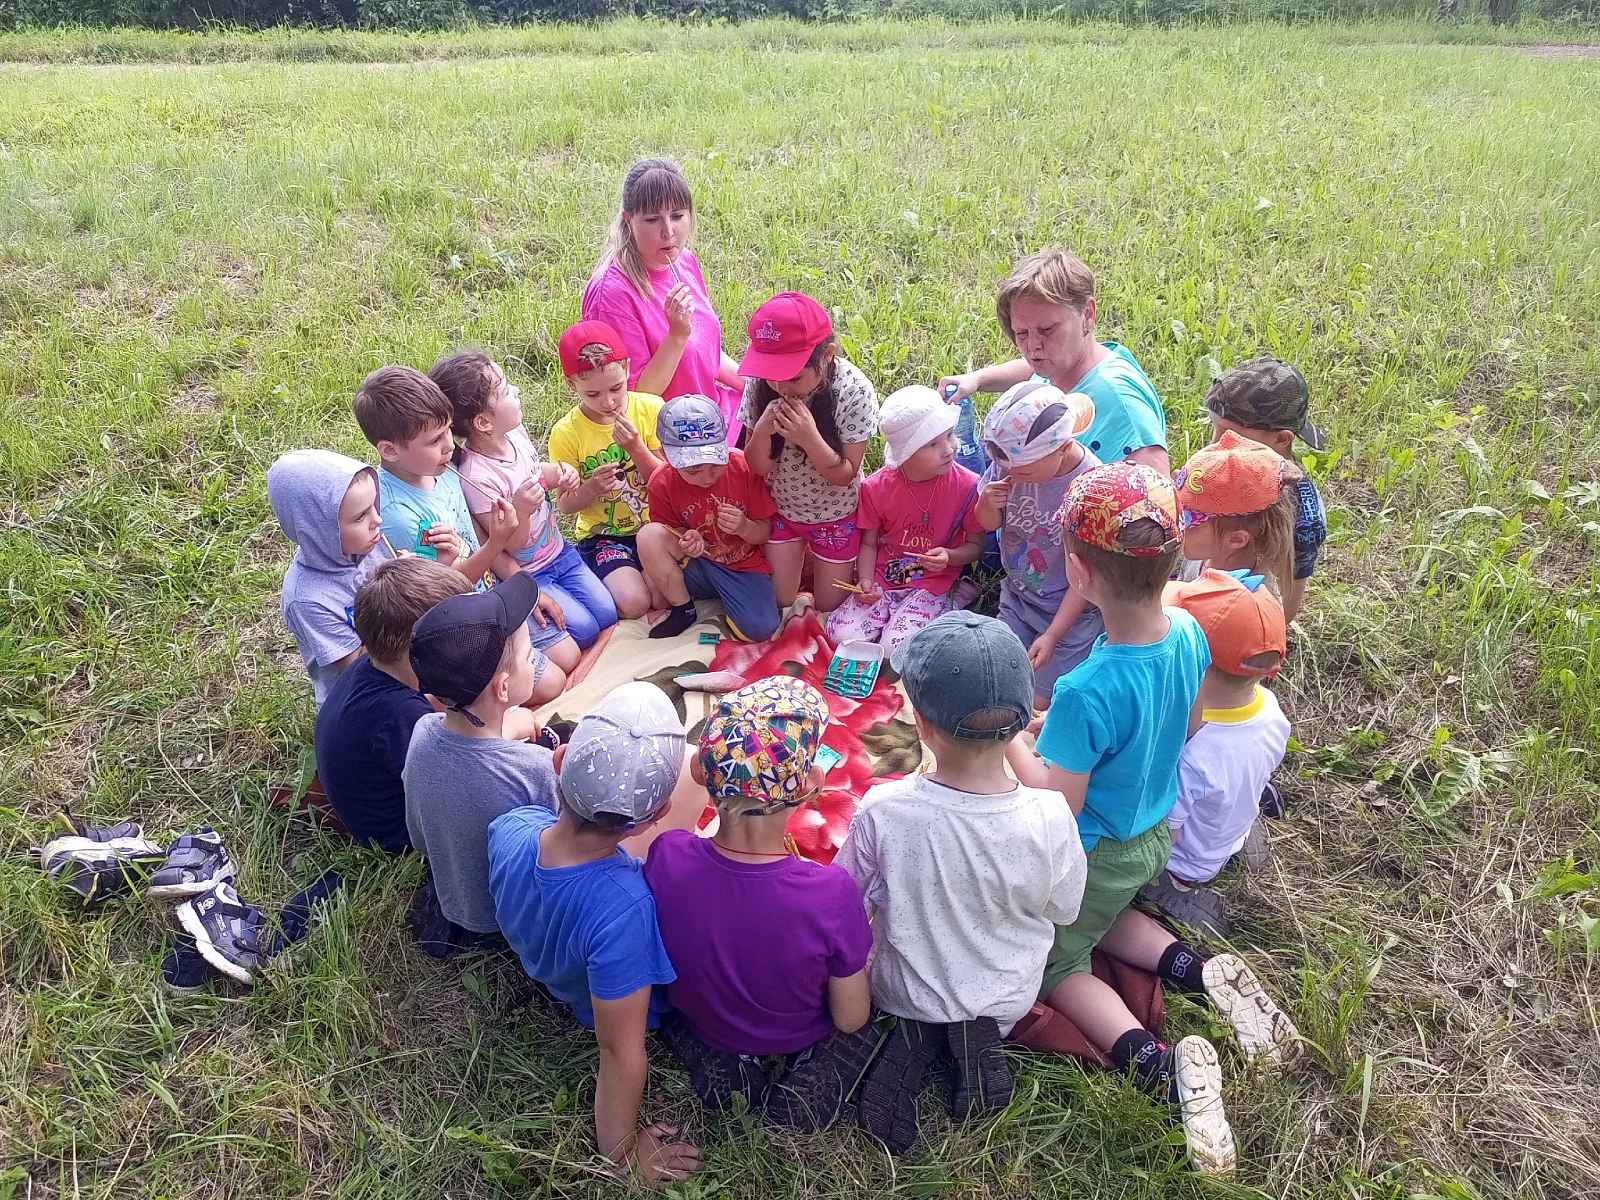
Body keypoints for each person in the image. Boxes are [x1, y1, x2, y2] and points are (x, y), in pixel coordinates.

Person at [1004, 462, 1297, 1176]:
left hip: (1096, 848)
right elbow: (1187, 724)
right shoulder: (1192, 634)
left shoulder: (1085, 688)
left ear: (1078, 571)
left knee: (1059, 964)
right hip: (1153, 834)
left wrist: (1012, 739)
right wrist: (1069, 737)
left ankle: (1156, 1068)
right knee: (1107, 916)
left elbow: (1060, 801)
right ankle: (1203, 970)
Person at [833, 611, 1088, 1156]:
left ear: (920, 723)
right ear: (1022, 723)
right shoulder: (1050, 815)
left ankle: (913, 1039)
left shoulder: (885, 809)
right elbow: (1065, 909)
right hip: (1007, 998)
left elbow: (841, 897)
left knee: (910, 1004)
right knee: (980, 1001)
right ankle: (971, 1037)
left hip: (901, 989)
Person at [486, 682, 701, 1188]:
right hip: (606, 1000)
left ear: (559, 760)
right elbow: (619, 1050)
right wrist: (621, 1155)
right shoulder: (625, 906)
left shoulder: (511, 826)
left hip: (552, 955)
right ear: (655, 817)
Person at [645, 677, 876, 1132]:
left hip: (703, 1020)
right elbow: (850, 1017)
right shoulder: (831, 891)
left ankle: (718, 1059)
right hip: (800, 1031)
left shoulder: (667, 855)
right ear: (812, 784)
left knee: (681, 1016)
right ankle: (812, 1072)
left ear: (701, 775)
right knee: (864, 1028)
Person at [314, 558, 559, 854]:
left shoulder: (374, 665)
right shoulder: (402, 714)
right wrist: (507, 729)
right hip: (404, 837)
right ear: (423, 653)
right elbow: (449, 772)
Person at [402, 573, 559, 953]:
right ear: (503, 688)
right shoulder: (535, 768)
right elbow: (564, 857)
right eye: (530, 657)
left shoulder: (422, 733)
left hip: (453, 898)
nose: (535, 661)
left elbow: (420, 839)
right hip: (513, 920)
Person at [430, 348, 616, 654]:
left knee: (607, 614)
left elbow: (534, 471)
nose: (516, 390)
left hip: (560, 552)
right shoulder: (478, 477)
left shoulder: (514, 433)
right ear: (484, 422)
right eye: (505, 390)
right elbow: (512, 544)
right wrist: (522, 510)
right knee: (585, 631)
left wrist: (560, 473)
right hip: (530, 571)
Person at [1140, 569, 1291, 934]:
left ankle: (1172, 892)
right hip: (1229, 832)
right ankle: (1235, 843)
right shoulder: (1272, 712)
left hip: (1185, 861)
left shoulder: (1193, 751)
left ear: (1196, 663)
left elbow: (1164, 835)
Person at [939, 248, 1170, 475]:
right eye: (1021, 333)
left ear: (1087, 314)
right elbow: (1032, 369)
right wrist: (977, 379)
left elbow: (1158, 492)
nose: (1032, 346)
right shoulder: (1069, 362)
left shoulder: (1121, 405)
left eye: (1047, 330)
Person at [582, 157, 744, 439]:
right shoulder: (611, 295)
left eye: (677, 216)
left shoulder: (683, 261)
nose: (668, 232)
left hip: (714, 410)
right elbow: (630, 401)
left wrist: (753, 385)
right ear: (628, 220)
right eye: (652, 219)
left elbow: (705, 350)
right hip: (672, 437)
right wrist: (676, 336)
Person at [737, 292, 878, 614]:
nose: (782, 388)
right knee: (781, 601)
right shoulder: (761, 385)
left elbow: (845, 475)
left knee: (830, 607)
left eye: (795, 377)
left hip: (835, 513)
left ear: (827, 355)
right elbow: (757, 467)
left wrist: (809, 438)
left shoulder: (854, 391)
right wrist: (763, 430)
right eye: (772, 376)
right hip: (780, 508)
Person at [974, 379, 1105, 708]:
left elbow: (1087, 577)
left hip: (1071, 614)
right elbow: (990, 523)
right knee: (997, 677)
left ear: (1062, 448)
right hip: (1019, 597)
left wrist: (1054, 634)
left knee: (1038, 701)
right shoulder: (1015, 462)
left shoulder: (1090, 488)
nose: (1012, 477)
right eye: (1006, 470)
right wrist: (987, 504)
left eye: (1024, 475)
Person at [825, 386, 986, 652]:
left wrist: (949, 556)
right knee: (840, 635)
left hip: (932, 581)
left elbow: (976, 547)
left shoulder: (968, 486)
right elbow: (869, 542)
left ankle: (955, 599)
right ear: (906, 453)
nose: (948, 449)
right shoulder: (875, 488)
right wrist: (865, 580)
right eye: (933, 444)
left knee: (895, 648)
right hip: (886, 576)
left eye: (949, 435)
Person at [546, 319, 667, 620]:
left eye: (616, 388)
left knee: (662, 598)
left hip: (655, 528)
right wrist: (591, 488)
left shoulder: (651, 408)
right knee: (635, 603)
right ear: (571, 384)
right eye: (593, 394)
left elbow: (668, 483)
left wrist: (637, 447)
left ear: (627, 368)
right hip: (603, 535)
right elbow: (565, 505)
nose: (608, 401)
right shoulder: (567, 433)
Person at [639, 395, 780, 643]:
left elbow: (764, 532)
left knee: (760, 628)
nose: (707, 477)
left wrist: (744, 526)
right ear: (666, 455)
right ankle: (684, 609)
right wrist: (687, 538)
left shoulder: (742, 467)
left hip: (741, 566)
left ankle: (711, 593)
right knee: (648, 537)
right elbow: (666, 532)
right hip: (696, 563)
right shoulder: (661, 482)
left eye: (715, 465)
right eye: (693, 470)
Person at [1199, 356, 1327, 621]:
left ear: (1281, 439)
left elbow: (1283, 609)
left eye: (1230, 435)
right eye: (1215, 428)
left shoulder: (1302, 517)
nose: (1213, 445)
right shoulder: (1221, 465)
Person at [266, 448, 389, 707]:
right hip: (364, 703)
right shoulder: (308, 599)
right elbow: (360, 668)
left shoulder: (368, 542)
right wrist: (402, 597)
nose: (377, 519)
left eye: (374, 505)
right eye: (360, 516)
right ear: (318, 529)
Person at [1175, 429, 1308, 603]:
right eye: (1175, 510)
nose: (1176, 525)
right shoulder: (1200, 557)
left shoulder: (1252, 601)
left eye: (1186, 520)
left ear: (1236, 539)